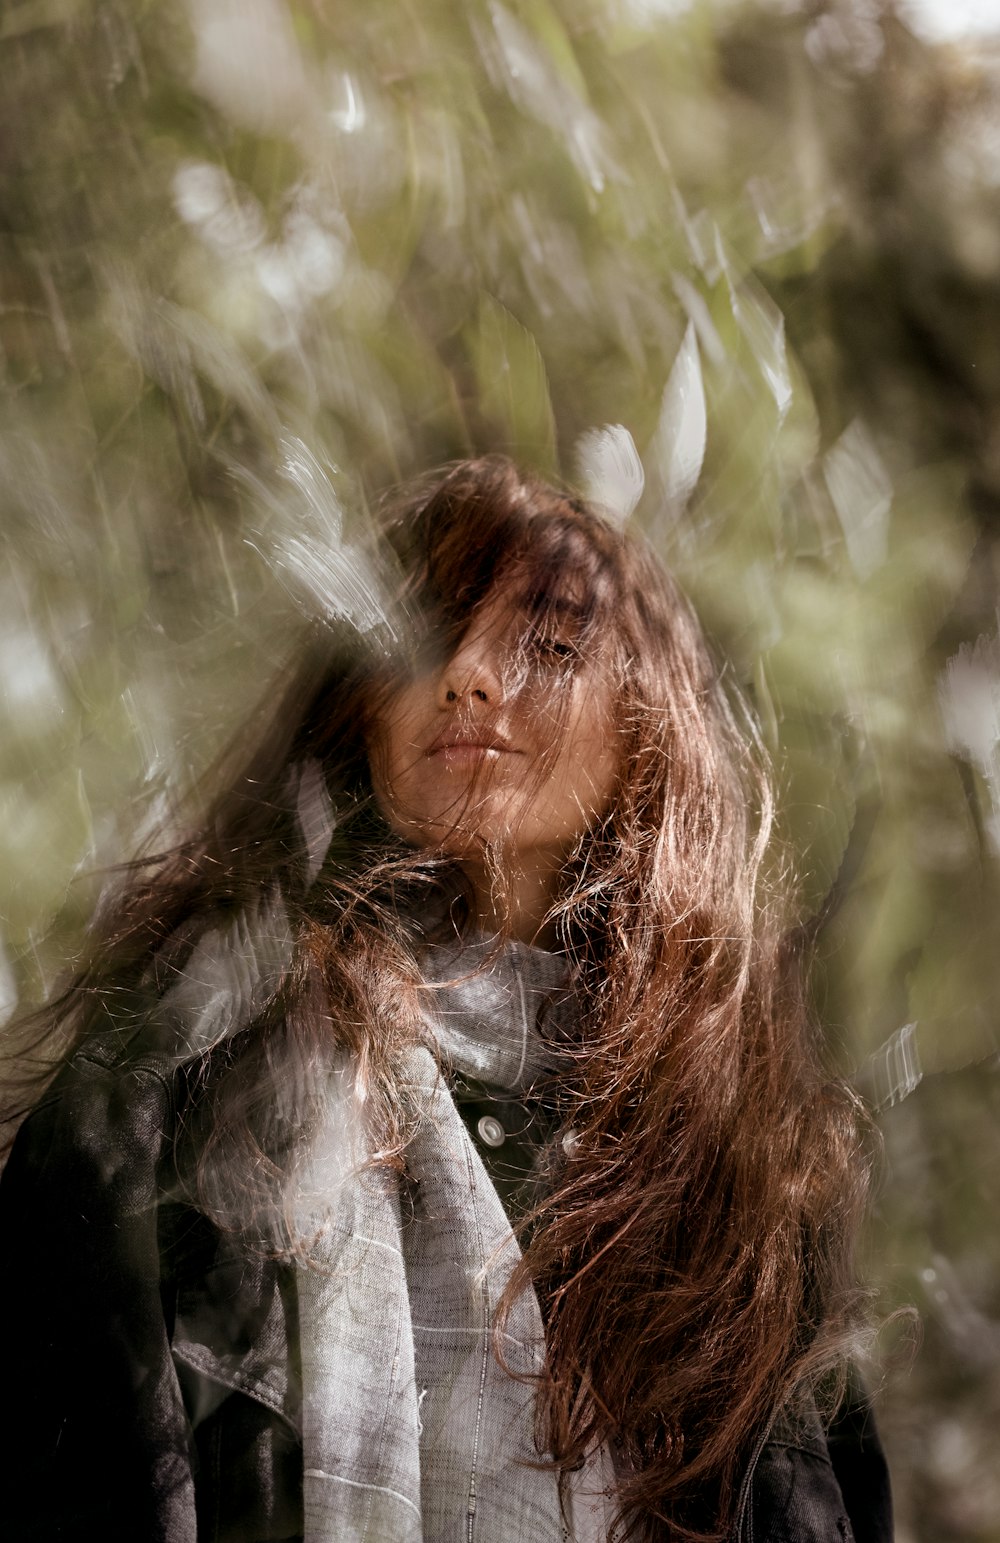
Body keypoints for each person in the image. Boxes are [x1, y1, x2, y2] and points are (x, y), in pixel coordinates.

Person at [0, 456, 892, 1542]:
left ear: (646, 725)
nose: (468, 672)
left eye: (549, 645)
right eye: (419, 637)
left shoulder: (737, 1171)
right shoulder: (178, 1085)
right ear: (361, 707)